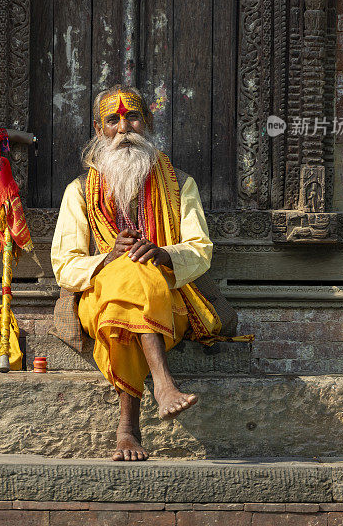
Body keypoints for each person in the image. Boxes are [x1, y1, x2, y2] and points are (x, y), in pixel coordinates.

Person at [51, 85, 222, 461]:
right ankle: (163, 384)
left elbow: (200, 249)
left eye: (133, 117)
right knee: (125, 275)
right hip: (98, 301)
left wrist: (162, 254)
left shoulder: (180, 184)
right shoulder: (78, 191)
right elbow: (65, 265)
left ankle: (128, 428)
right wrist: (109, 257)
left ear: (146, 124)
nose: (124, 127)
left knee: (132, 287)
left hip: (167, 304)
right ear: (100, 131)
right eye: (113, 120)